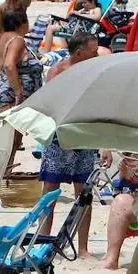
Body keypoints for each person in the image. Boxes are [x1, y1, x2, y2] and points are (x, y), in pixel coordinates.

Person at [39, 33, 103, 258]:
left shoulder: (94, 72)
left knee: (84, 194)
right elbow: (51, 107)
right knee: (50, 193)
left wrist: (103, 143)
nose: (97, 54)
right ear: (79, 53)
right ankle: (44, 243)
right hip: (61, 136)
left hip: (85, 136)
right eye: (93, 51)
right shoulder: (57, 73)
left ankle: (83, 247)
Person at [0, 9, 44, 112]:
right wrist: (18, 93)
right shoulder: (17, 40)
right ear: (22, 23)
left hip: (4, 93)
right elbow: (9, 65)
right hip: (13, 97)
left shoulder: (4, 39)